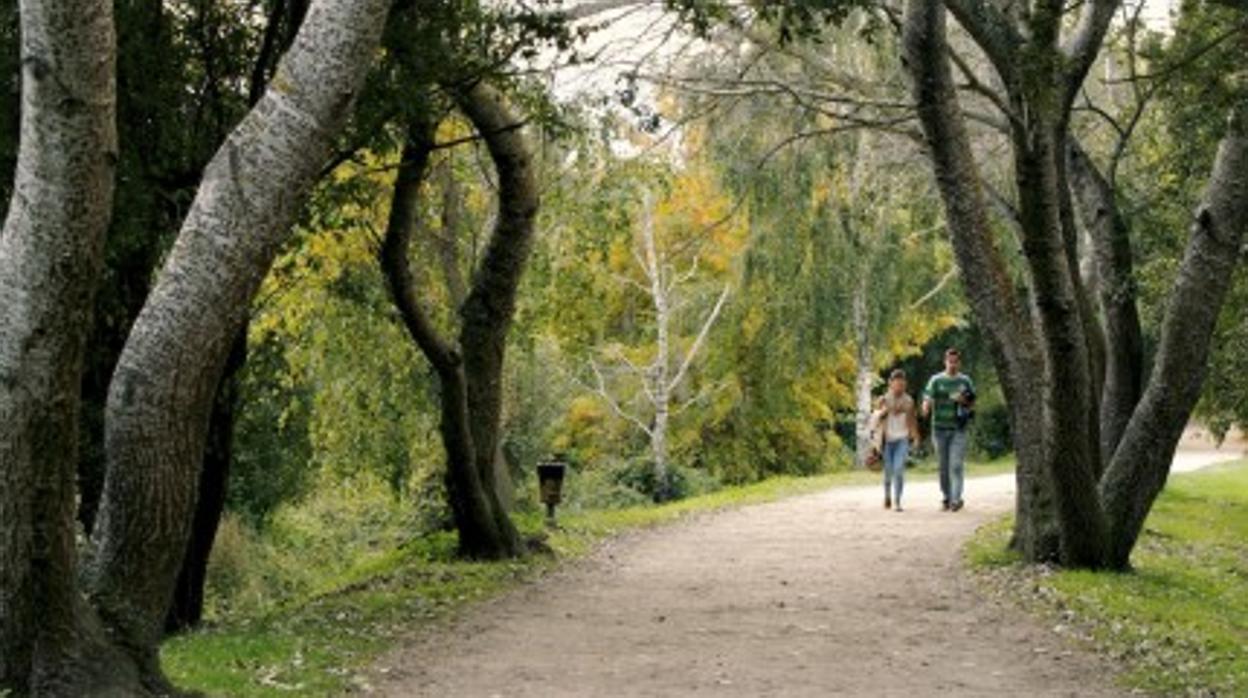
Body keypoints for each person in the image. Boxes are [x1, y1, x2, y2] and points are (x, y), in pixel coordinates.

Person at [922, 347, 975, 512]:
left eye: (955, 362)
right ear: (945, 362)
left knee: (956, 465)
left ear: (959, 363)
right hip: (939, 429)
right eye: (949, 361)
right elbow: (928, 396)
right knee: (944, 467)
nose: (952, 364)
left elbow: (972, 401)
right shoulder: (936, 380)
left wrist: (963, 400)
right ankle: (947, 497)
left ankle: (956, 499)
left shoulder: (965, 380)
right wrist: (926, 406)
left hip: (958, 428)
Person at [875, 369, 920, 512]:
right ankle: (887, 495)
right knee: (888, 471)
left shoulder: (909, 401)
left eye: (902, 384)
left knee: (898, 469)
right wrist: (884, 410)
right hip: (887, 440)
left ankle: (897, 501)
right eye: (897, 384)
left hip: (902, 439)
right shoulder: (883, 399)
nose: (900, 387)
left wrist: (916, 437)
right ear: (890, 383)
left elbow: (912, 420)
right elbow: (876, 420)